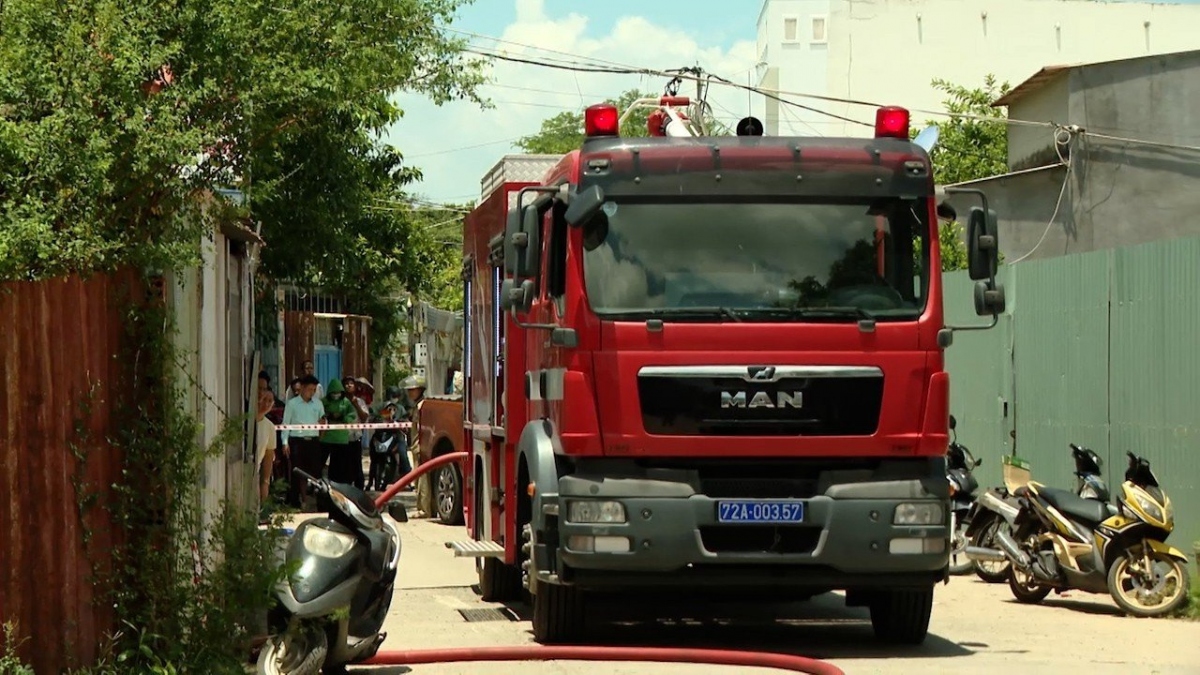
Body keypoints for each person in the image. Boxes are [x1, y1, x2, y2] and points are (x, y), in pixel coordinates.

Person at [281, 375, 325, 508]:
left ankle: (320, 503)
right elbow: (286, 424)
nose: (312, 392)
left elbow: (322, 421)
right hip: (297, 441)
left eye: (314, 390)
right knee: (296, 472)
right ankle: (295, 502)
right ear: (302, 388)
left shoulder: (318, 404)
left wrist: (321, 434)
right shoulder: (292, 404)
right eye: (309, 389)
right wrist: (285, 442)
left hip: (313, 441)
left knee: (316, 473)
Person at [321, 378, 359, 486]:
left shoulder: (346, 402)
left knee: (340, 465)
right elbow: (319, 414)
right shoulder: (324, 402)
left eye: (338, 392)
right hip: (326, 437)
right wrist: (328, 415)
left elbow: (352, 415)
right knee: (321, 463)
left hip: (341, 438)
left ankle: (340, 485)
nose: (336, 395)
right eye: (334, 393)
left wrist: (343, 417)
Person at [403, 375, 432, 518]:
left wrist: (421, 446)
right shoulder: (416, 406)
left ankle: (425, 509)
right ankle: (421, 506)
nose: (409, 393)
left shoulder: (422, 406)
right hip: (415, 446)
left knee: (422, 479)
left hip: (420, 446)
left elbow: (422, 428)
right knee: (418, 478)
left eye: (412, 390)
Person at [254, 371, 281, 518]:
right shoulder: (246, 419)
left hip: (255, 475)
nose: (265, 401)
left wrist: (265, 483)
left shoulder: (270, 426)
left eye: (269, 400)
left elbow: (268, 456)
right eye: (259, 389)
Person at [344, 376, 371, 489]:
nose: (349, 385)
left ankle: (359, 489)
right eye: (346, 383)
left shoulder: (360, 401)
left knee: (356, 465)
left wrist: (356, 405)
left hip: (355, 437)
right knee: (345, 466)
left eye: (351, 383)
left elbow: (364, 417)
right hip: (342, 438)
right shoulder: (341, 401)